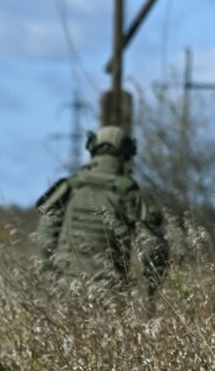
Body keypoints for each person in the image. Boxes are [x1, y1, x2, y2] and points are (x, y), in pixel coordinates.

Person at [36, 125, 169, 296]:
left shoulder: (71, 186)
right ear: (127, 153)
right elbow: (153, 247)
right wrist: (150, 290)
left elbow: (45, 235)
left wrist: (50, 279)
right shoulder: (129, 193)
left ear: (93, 148)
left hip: (66, 289)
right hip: (111, 291)